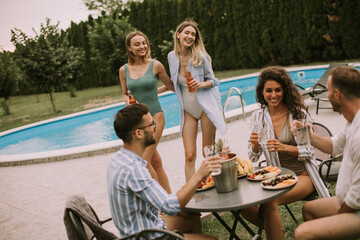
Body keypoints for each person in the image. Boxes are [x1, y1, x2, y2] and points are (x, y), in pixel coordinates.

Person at [241, 66, 330, 240]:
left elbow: (310, 152)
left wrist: (285, 147)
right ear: (262, 92)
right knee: (243, 203)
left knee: (270, 201)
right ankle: (276, 230)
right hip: (276, 175)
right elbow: (253, 157)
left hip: (303, 175)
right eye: (269, 90)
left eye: (278, 90)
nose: (273, 95)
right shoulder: (258, 117)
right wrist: (254, 145)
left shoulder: (298, 114)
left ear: (285, 90)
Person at [107, 103, 219, 240]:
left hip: (143, 228)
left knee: (191, 217)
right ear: (138, 133)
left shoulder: (118, 159)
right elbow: (169, 206)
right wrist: (199, 175)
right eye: (151, 124)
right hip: (146, 237)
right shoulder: (133, 169)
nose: (155, 128)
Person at [294, 66, 360, 240]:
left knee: (302, 233)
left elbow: (357, 196)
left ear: (337, 94)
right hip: (348, 200)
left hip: (355, 205)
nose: (327, 95)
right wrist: (309, 136)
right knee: (309, 209)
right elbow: (334, 146)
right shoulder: (353, 120)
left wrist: (339, 215)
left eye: (329, 92)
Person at [167, 20, 227, 182]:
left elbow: (214, 81)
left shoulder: (201, 57)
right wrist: (153, 91)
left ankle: (219, 183)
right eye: (187, 33)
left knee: (207, 152)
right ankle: (192, 191)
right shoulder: (171, 57)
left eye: (193, 34)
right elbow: (174, 83)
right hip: (188, 111)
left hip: (206, 108)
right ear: (178, 35)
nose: (190, 36)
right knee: (189, 155)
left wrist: (201, 84)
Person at [119, 31, 175, 193]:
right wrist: (128, 101)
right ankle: (170, 199)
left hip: (156, 117)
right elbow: (125, 93)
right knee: (155, 162)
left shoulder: (155, 65)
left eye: (144, 43)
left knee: (143, 160)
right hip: (138, 121)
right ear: (129, 48)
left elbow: (171, 86)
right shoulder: (124, 70)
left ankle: (161, 202)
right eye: (137, 44)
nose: (142, 46)